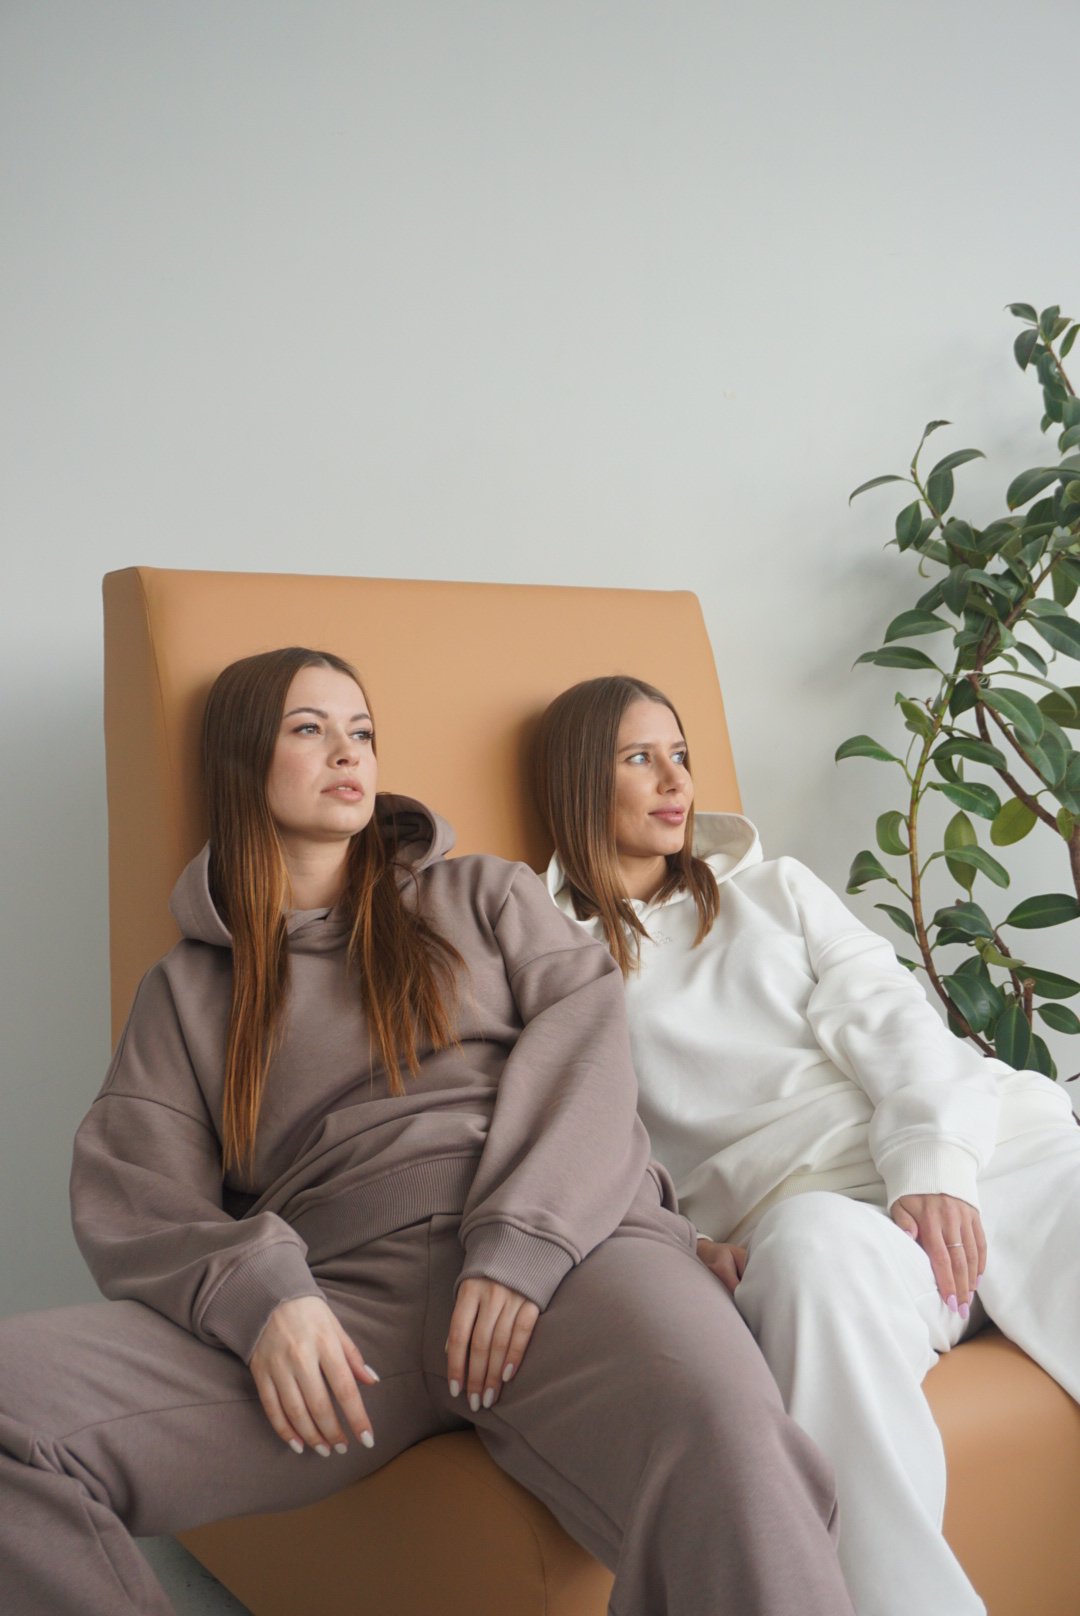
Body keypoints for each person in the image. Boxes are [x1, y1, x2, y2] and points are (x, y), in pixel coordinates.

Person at [0, 647, 856, 1616]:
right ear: (242, 760)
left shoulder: (484, 894)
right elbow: (134, 1188)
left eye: (361, 731)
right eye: (310, 728)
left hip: (572, 1260)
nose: (348, 752)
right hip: (341, 1309)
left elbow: (589, 1057)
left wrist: (525, 1241)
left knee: (736, 1448)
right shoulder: (189, 987)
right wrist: (261, 1296)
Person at [533, 673, 1080, 1616]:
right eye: (639, 758)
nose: (675, 778)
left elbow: (895, 1018)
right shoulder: (554, 964)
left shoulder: (775, 890)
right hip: (829, 1223)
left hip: (984, 1157)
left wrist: (932, 1163)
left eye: (680, 754)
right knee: (807, 1256)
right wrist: (683, 1242)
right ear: (581, 780)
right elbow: (579, 1143)